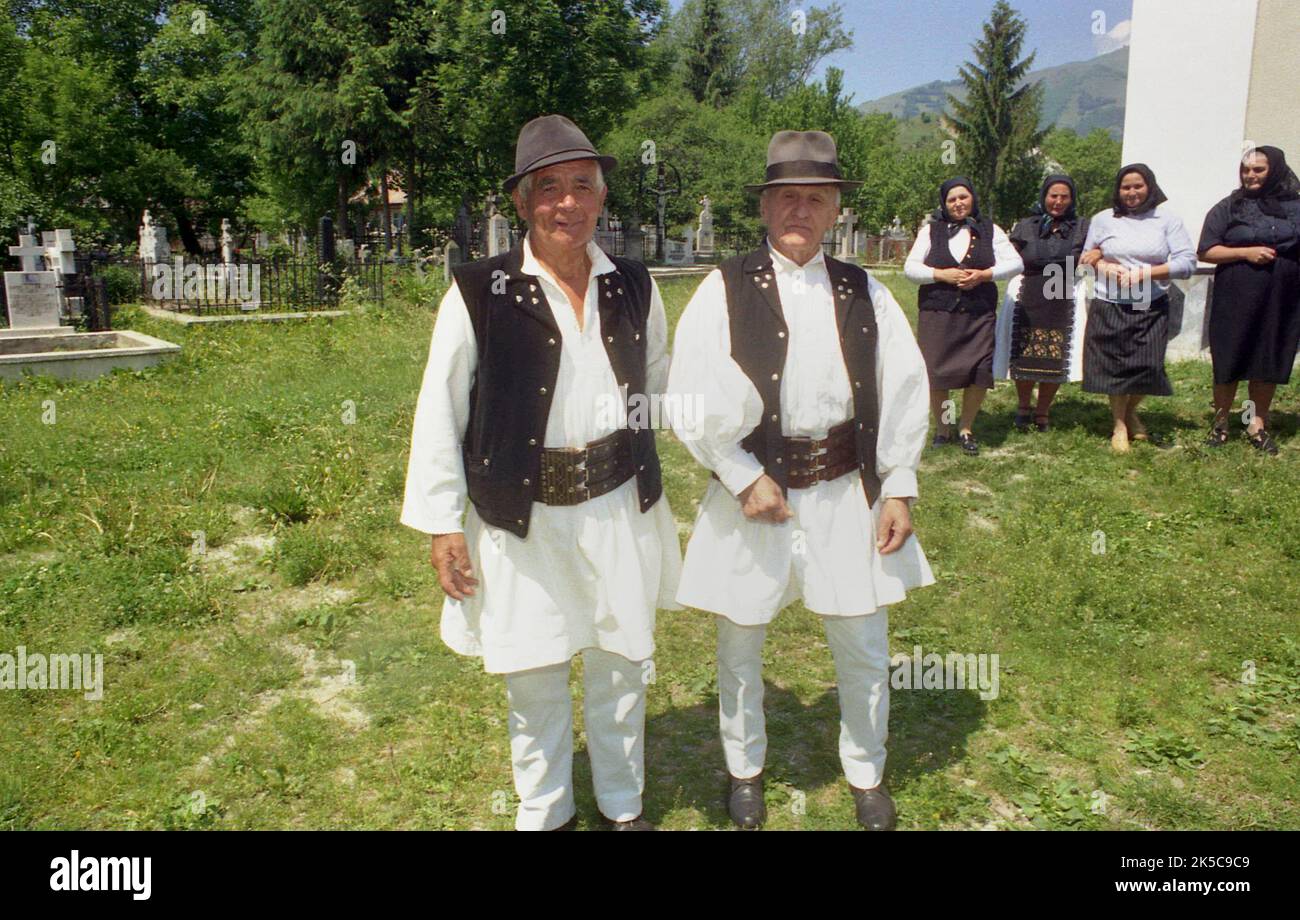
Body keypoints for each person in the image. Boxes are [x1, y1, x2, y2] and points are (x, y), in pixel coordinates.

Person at [400, 114, 681, 831]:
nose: (567, 202)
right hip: (520, 517)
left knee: (622, 666)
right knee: (534, 673)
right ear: (521, 203)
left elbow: (655, 386)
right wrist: (441, 524)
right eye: (548, 187)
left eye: (582, 186)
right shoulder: (477, 292)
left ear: (600, 199)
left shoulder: (635, 287)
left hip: (618, 503)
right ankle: (545, 809)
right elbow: (441, 408)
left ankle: (624, 806)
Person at [667, 131, 935, 831]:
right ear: (764, 206)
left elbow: (904, 386)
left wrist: (899, 483)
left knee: (863, 644)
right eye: (787, 197)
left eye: (815, 199)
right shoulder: (722, 288)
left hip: (847, 490)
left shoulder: (865, 290)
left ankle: (867, 772)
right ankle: (744, 770)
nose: (800, 210)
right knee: (740, 643)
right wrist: (738, 475)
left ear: (835, 208)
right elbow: (687, 395)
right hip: (756, 493)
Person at [1079, 164, 1197, 452]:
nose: (1131, 193)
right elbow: (1085, 257)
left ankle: (1131, 410)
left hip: (1151, 300)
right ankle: (1119, 424)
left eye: (1138, 186)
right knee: (1114, 367)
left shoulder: (1167, 220)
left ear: (1150, 187)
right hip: (1109, 300)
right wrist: (1102, 263)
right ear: (1118, 191)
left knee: (1148, 366)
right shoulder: (1103, 219)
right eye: (1125, 187)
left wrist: (1146, 274)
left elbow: (1187, 262)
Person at [904, 178, 1023, 456]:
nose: (958, 203)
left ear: (973, 199)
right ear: (944, 204)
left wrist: (985, 275)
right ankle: (944, 428)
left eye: (963, 197)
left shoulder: (991, 230)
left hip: (977, 312)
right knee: (937, 372)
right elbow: (910, 268)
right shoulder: (930, 231)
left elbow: (1016, 263)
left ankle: (966, 428)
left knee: (978, 372)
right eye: (951, 199)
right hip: (938, 311)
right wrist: (939, 274)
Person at [1197, 145, 1300, 455]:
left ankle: (1256, 424)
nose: (1251, 175)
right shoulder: (1229, 207)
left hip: (1282, 296)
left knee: (1266, 358)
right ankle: (1221, 423)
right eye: (1246, 170)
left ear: (1276, 170)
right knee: (1230, 355)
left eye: (1258, 169)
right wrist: (1245, 252)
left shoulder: (1296, 206)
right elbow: (1206, 250)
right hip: (1237, 294)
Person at [993, 174, 1090, 431]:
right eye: (1053, 195)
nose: (1058, 201)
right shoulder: (1026, 225)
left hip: (1061, 287)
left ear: (1071, 200)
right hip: (1029, 286)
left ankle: (1043, 410)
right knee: (1024, 351)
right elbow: (1007, 254)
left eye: (1064, 197)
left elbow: (1091, 254)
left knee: (1054, 351)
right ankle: (1024, 405)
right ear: (1044, 196)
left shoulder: (1082, 226)